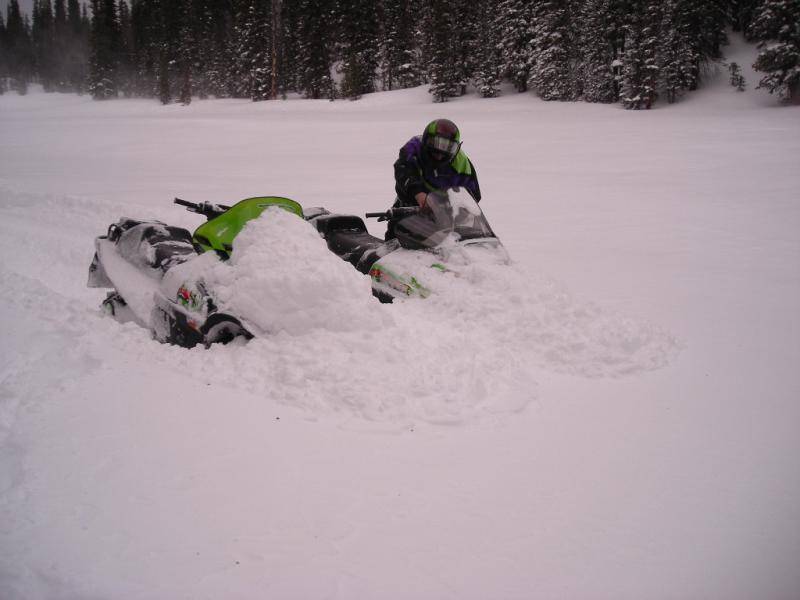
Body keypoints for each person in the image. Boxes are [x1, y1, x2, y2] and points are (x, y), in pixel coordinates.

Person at [387, 118, 481, 239]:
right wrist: (418, 193)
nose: (439, 154)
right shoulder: (414, 146)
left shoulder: (461, 164)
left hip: (446, 213)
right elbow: (403, 169)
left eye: (448, 148)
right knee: (396, 235)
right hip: (411, 204)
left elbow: (473, 195)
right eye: (435, 146)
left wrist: (456, 209)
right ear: (425, 140)